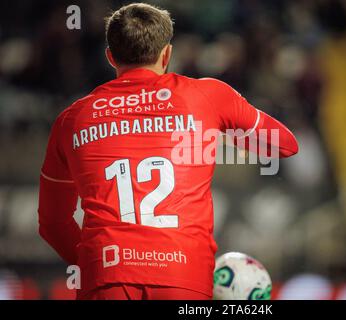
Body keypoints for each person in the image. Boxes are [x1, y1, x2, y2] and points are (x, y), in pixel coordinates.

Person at [38, 2, 298, 300]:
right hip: (183, 276)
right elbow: (285, 144)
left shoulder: (72, 119)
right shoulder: (208, 96)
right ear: (167, 54)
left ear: (110, 56)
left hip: (107, 276)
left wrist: (97, 266)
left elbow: (52, 223)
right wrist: (221, 131)